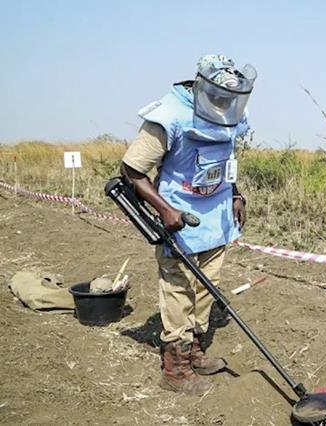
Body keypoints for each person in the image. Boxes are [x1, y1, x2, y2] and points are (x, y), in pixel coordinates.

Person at [120, 54, 256, 395]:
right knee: (179, 289)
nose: (225, 104)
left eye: (230, 99)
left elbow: (226, 160)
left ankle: (194, 349)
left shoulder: (231, 114)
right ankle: (174, 367)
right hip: (180, 216)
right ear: (201, 86)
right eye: (220, 97)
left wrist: (235, 194)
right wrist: (165, 210)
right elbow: (132, 171)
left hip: (216, 215)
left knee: (209, 285)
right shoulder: (169, 116)